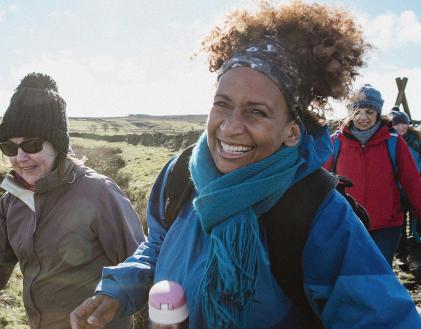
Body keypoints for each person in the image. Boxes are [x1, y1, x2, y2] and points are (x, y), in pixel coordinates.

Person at [70, 1, 421, 328]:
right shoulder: (179, 175)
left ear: (292, 131)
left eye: (256, 111)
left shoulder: (319, 213)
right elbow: (158, 246)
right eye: (223, 104)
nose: (231, 126)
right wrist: (119, 289)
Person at [0, 72, 145, 329]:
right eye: (10, 148)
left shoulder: (99, 193)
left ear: (57, 145)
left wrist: (110, 301)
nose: (21, 157)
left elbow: (142, 269)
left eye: (32, 144)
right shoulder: (11, 202)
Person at [326, 86, 421, 265]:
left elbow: (412, 182)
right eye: (357, 111)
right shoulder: (335, 141)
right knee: (350, 275)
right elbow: (320, 181)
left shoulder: (393, 141)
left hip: (386, 227)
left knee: (378, 276)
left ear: (378, 112)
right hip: (347, 224)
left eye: (369, 111)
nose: (363, 117)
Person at [390, 109, 421, 246]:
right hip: (395, 187)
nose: (400, 127)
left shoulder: (416, 141)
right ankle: (401, 247)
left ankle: (415, 241)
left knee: (415, 217)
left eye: (403, 123)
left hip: (414, 185)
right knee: (399, 218)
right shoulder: (390, 141)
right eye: (396, 124)